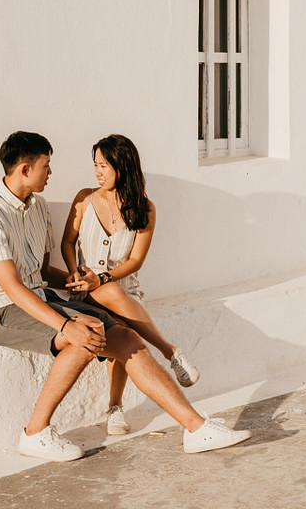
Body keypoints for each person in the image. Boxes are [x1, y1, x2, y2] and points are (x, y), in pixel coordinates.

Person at [0, 131, 249, 461]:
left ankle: (196, 428)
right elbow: (13, 288)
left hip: (41, 297)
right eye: (46, 165)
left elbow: (40, 272)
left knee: (125, 337)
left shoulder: (38, 208)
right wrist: (67, 325)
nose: (51, 172)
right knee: (84, 333)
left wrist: (75, 280)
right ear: (25, 169)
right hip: (1, 310)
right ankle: (35, 432)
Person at [60, 133, 199, 436]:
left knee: (118, 311)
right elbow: (67, 243)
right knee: (115, 309)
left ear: (123, 167)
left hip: (123, 292)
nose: (98, 172)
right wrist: (74, 274)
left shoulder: (145, 209)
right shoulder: (84, 198)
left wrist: (103, 278)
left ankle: (114, 408)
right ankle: (170, 352)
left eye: (104, 166)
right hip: (82, 292)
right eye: (95, 165)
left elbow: (135, 261)